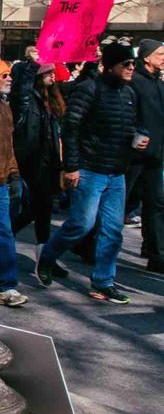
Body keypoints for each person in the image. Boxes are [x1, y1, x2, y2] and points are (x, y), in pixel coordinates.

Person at [37, 42, 137, 303]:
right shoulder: (89, 89)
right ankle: (47, 256)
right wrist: (71, 166)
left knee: (113, 231)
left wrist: (136, 140)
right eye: (125, 64)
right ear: (110, 66)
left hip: (116, 172)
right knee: (81, 224)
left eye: (133, 63)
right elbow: (71, 128)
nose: (131, 68)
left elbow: (127, 128)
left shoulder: (129, 93)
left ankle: (104, 282)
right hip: (90, 170)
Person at [13, 62, 66, 255]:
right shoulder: (28, 99)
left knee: (44, 206)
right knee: (40, 204)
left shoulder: (51, 100)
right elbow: (21, 91)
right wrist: (32, 65)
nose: (52, 77)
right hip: (31, 158)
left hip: (49, 159)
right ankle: (7, 235)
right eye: (48, 73)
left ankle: (44, 251)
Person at [0, 64, 27, 307]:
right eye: (4, 75)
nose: (10, 79)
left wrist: (13, 172)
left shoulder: (4, 106)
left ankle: (5, 286)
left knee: (3, 233)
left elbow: (7, 143)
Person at [128, 37, 164, 274]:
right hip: (133, 155)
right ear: (146, 56)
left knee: (156, 204)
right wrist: (133, 134)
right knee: (123, 203)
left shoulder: (159, 84)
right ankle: (88, 244)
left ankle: (156, 255)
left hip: (155, 156)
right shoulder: (134, 82)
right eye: (160, 54)